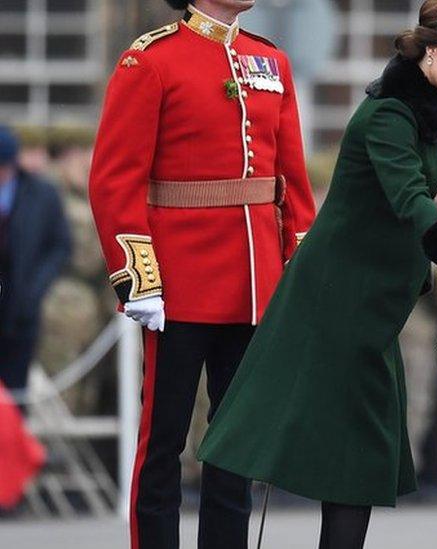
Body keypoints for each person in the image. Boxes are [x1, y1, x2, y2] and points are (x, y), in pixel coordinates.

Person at [197, 1, 437, 547]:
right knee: (316, 441)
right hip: (334, 300)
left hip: (370, 301)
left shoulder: (424, 110)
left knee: (355, 450)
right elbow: (407, 196)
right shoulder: (390, 115)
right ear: (430, 50)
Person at [87, 0, 317, 547]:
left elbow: (293, 182)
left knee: (235, 440)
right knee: (163, 440)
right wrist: (137, 274)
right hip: (179, 281)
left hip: (255, 281)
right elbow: (115, 180)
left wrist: (298, 270)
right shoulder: (151, 61)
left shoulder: (270, 61)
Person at [0, 126, 72, 400]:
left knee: (17, 393)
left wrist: (35, 289)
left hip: (21, 307)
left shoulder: (42, 194)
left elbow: (60, 245)